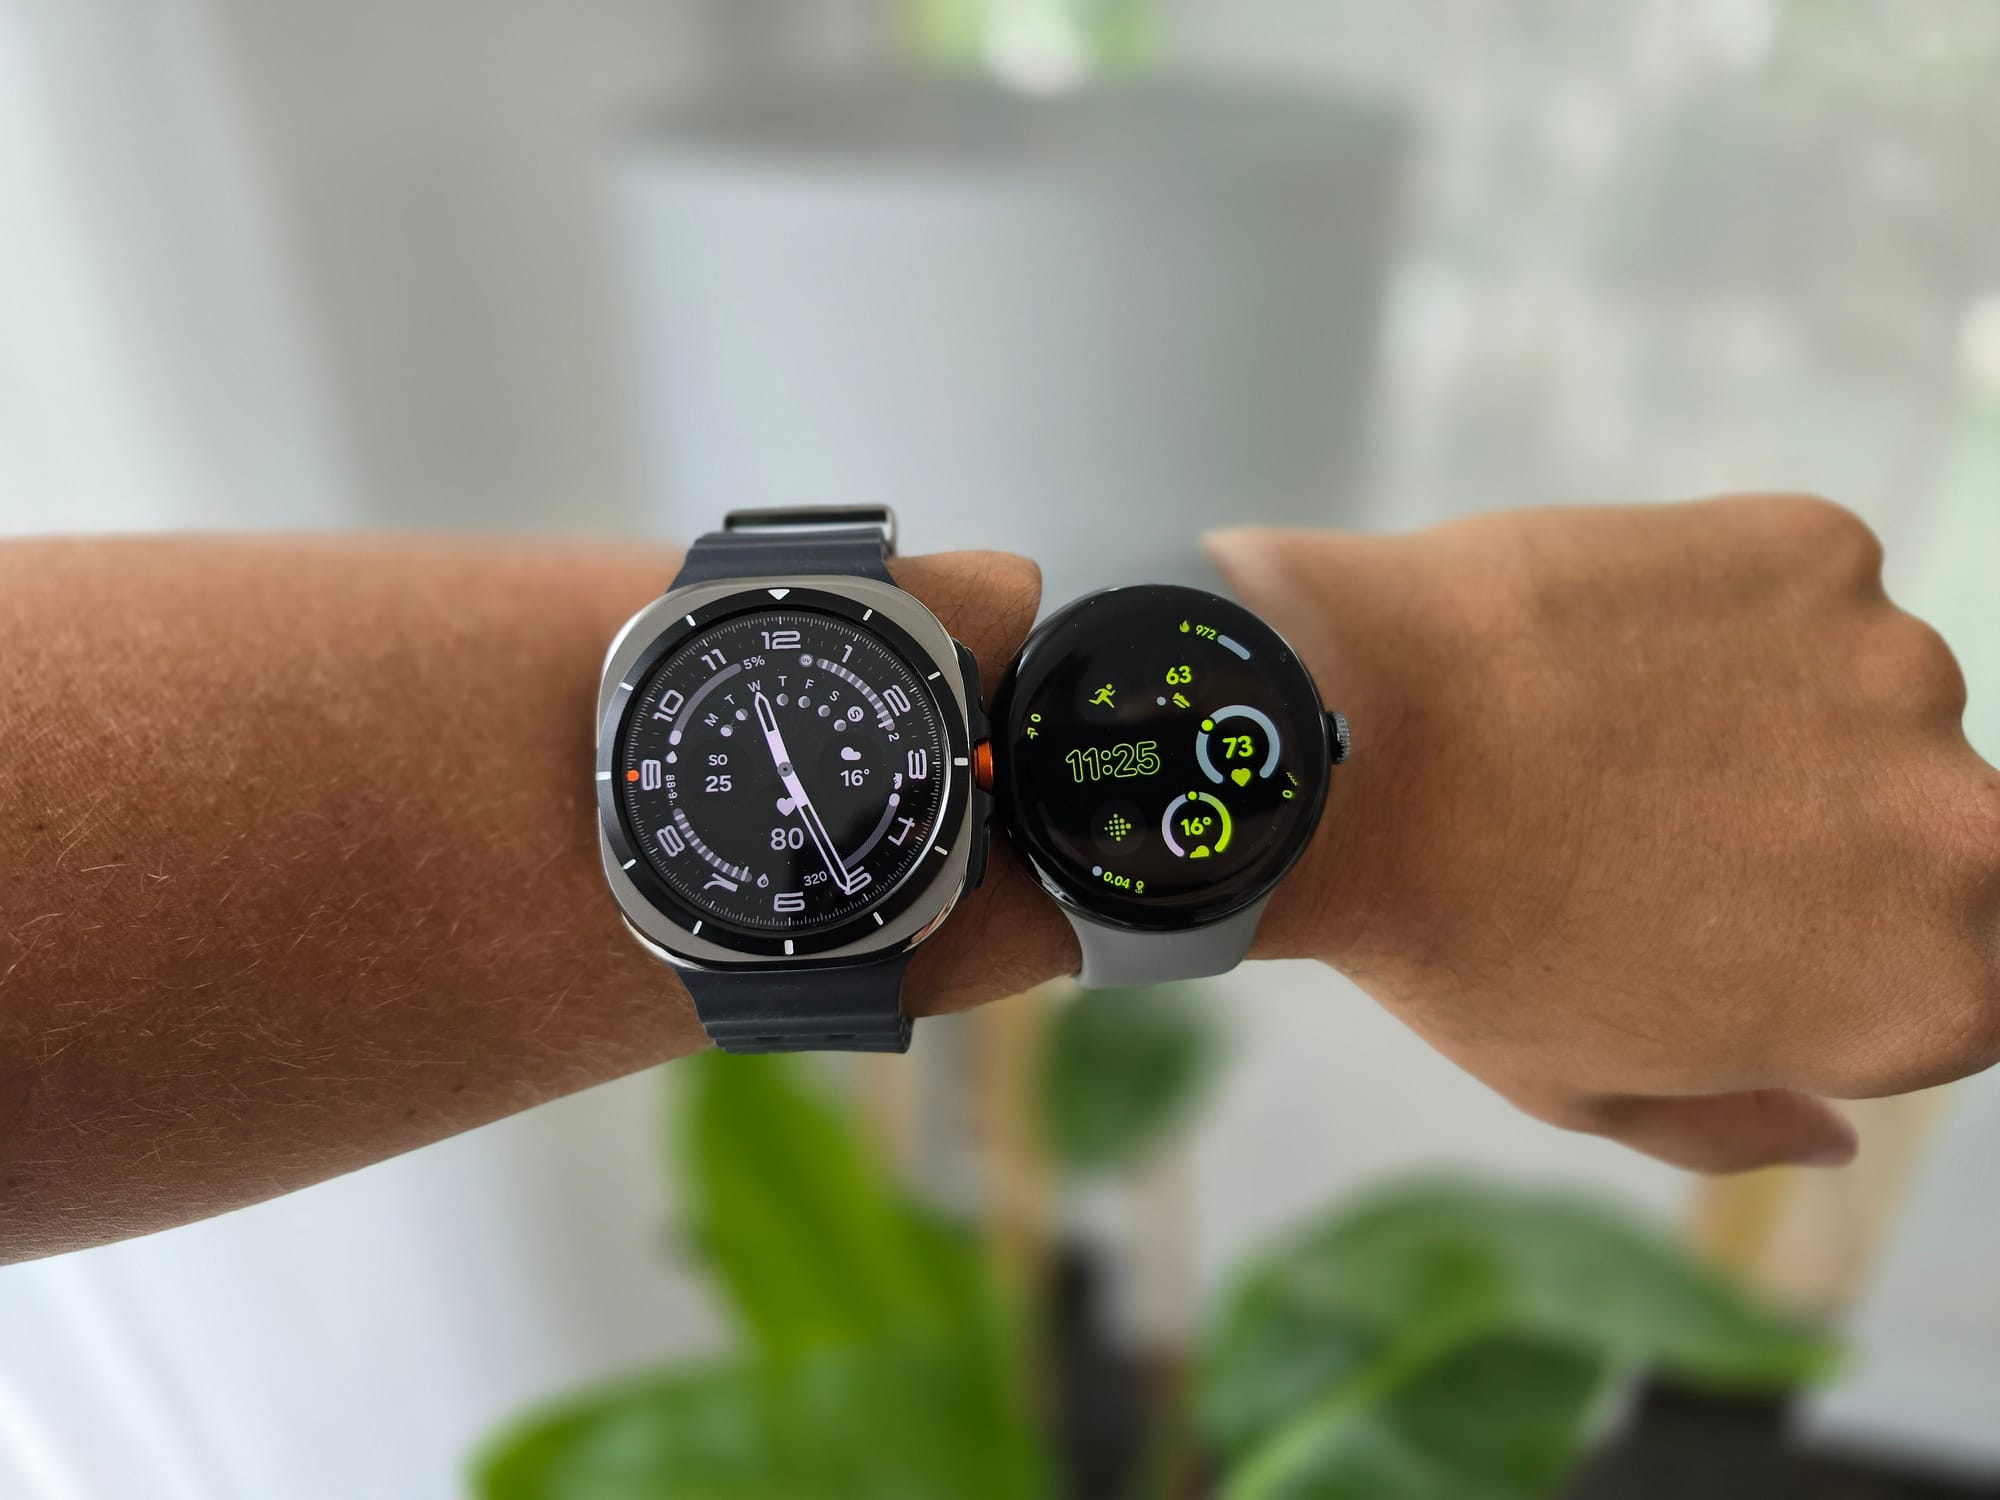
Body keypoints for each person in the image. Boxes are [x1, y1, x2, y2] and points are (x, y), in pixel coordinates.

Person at [3, 494, 1995, 1265]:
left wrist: (1423, 708)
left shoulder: (741, 684)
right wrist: (1434, 728)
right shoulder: (736, 772)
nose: (806, 775)